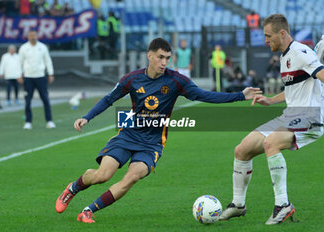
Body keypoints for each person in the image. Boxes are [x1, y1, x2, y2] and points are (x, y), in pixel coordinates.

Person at [55, 37, 261, 224]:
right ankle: (73, 188)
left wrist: (240, 95)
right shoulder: (132, 78)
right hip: (128, 135)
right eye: (160, 57)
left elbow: (204, 95)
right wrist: (86, 117)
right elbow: (109, 99)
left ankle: (88, 211)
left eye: (167, 58)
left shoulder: (176, 81)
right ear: (149, 55)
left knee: (132, 177)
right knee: (102, 175)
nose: (164, 62)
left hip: (152, 143)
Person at [220, 14, 324, 225]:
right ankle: (238, 204)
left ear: (282, 33)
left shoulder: (301, 52)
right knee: (242, 149)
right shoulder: (286, 57)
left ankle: (282, 205)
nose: (266, 40)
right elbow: (294, 91)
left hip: (310, 116)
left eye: (268, 36)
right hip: (291, 115)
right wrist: (270, 101)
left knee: (271, 143)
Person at [19, 30, 56, 130]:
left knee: (45, 99)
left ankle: (49, 121)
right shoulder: (24, 48)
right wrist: (18, 74)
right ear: (28, 36)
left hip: (40, 76)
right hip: (28, 77)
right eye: (31, 35)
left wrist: (51, 73)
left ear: (37, 36)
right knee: (27, 100)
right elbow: (19, 62)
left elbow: (48, 61)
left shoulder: (43, 47)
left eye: (34, 35)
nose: (33, 37)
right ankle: (28, 122)